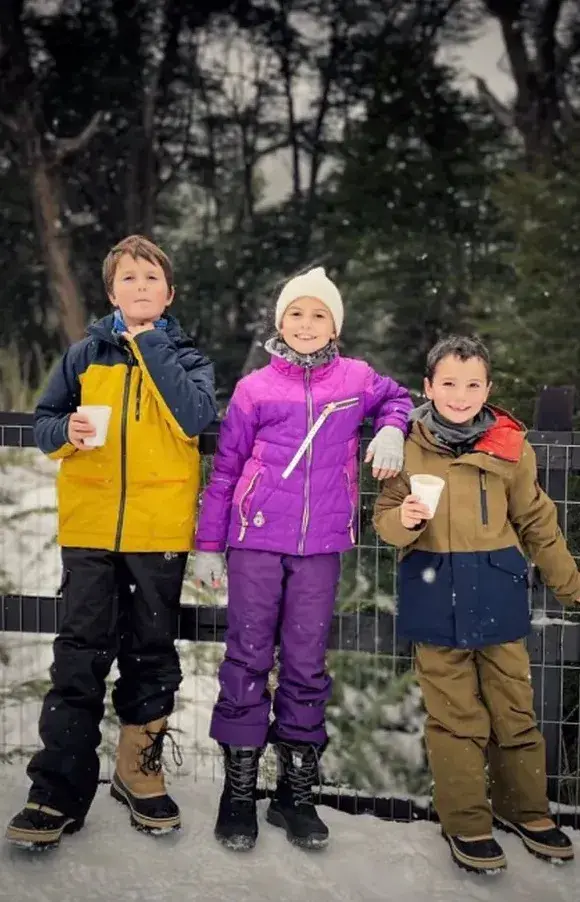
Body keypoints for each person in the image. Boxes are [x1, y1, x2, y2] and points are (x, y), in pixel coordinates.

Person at [6, 234, 217, 850]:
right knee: (79, 654)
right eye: (129, 279)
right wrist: (64, 430)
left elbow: (193, 419)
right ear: (111, 291)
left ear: (169, 294)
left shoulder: (187, 357)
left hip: (159, 532)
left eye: (152, 279)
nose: (140, 287)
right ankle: (56, 791)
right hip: (91, 530)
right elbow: (44, 424)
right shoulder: (82, 355)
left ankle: (138, 774)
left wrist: (149, 344)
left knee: (152, 653)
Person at [193, 266, 413, 852]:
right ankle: (239, 793)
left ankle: (296, 794)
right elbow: (226, 470)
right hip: (255, 542)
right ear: (280, 322)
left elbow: (398, 398)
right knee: (245, 657)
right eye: (296, 313)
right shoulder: (255, 389)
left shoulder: (356, 378)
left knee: (306, 664)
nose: (307, 324)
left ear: (335, 325)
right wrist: (209, 545)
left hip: (321, 549)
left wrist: (391, 429)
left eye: (319, 314)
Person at [373, 334, 579, 874]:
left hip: (497, 591)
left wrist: (572, 586)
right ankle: (467, 821)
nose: (459, 395)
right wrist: (404, 521)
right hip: (431, 590)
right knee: (455, 717)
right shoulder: (406, 444)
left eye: (471, 384)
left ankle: (527, 810)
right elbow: (384, 518)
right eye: (448, 384)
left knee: (514, 709)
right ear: (428, 387)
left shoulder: (511, 445)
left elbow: (537, 521)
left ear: (487, 389)